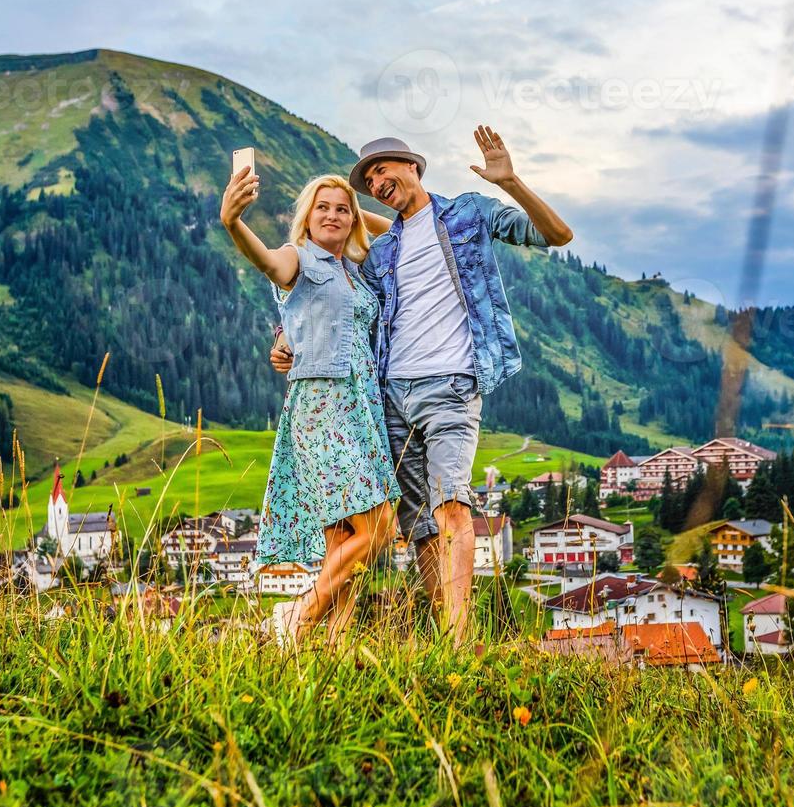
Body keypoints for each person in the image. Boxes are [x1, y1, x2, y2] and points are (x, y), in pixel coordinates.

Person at [274, 125, 572, 643]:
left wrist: (512, 181)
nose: (376, 181)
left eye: (382, 170)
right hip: (389, 397)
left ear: (412, 165)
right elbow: (333, 302)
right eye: (368, 179)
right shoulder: (383, 251)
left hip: (452, 387)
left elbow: (556, 235)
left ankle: (459, 644)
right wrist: (285, 337)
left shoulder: (468, 214)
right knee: (417, 529)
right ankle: (440, 643)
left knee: (452, 506)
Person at [220, 167, 400, 642]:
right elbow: (266, 263)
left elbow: (397, 226)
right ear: (306, 216)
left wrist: (359, 218)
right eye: (322, 207)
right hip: (321, 406)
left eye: (342, 208)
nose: (333, 215)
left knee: (344, 537)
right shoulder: (297, 258)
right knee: (379, 526)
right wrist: (233, 222)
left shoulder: (355, 268)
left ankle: (331, 647)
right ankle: (295, 617)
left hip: (363, 408)